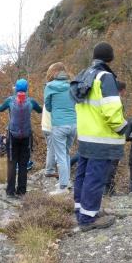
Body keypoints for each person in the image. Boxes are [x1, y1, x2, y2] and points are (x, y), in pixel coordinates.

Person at [70, 42, 126, 231]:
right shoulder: (105, 77)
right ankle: (88, 218)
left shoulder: (84, 74)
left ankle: (82, 210)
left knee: (83, 175)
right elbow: (112, 112)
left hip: (85, 136)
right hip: (101, 138)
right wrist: (124, 128)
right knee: (95, 178)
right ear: (110, 58)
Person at [0, 78, 42, 198]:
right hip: (27, 136)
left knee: (12, 163)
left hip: (12, 136)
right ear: (27, 89)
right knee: (23, 164)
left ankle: (10, 191)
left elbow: (0, 109)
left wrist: (7, 105)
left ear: (16, 88)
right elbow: (40, 110)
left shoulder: (10, 100)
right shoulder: (31, 101)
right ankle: (22, 191)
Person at [44, 62, 77, 194]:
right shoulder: (73, 85)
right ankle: (67, 181)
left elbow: (48, 106)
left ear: (53, 72)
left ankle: (63, 187)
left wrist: (56, 109)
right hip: (74, 124)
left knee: (60, 156)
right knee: (66, 153)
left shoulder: (50, 86)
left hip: (59, 125)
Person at [104, 80, 127, 196]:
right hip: (114, 138)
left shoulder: (105, 99)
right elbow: (117, 121)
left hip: (105, 137)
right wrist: (126, 128)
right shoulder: (117, 101)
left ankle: (107, 188)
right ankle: (108, 190)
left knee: (107, 164)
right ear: (122, 90)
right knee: (112, 165)